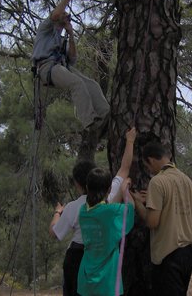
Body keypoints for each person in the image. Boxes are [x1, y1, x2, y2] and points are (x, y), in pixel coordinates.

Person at [32, 0, 109, 131]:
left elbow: (72, 58)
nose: (66, 16)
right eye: (64, 14)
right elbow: (54, 15)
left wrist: (71, 35)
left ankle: (107, 116)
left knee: (92, 85)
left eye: (67, 15)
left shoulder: (62, 40)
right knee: (76, 83)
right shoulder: (45, 28)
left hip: (62, 67)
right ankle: (89, 121)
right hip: (46, 67)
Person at [77, 127, 137, 296]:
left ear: (87, 187)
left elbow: (123, 169)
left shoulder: (84, 211)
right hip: (107, 282)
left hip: (86, 280)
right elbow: (130, 209)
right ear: (110, 187)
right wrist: (125, 192)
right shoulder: (111, 212)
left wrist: (129, 142)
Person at [131, 141, 192, 296]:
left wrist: (138, 203)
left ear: (151, 160)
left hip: (168, 254)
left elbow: (152, 222)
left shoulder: (158, 181)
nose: (149, 170)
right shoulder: (186, 180)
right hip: (187, 251)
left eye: (148, 166)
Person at [49, 160, 95, 296]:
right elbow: (123, 170)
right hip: (99, 256)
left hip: (76, 257)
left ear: (76, 183)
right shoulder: (109, 201)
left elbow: (54, 232)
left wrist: (57, 212)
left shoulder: (73, 206)